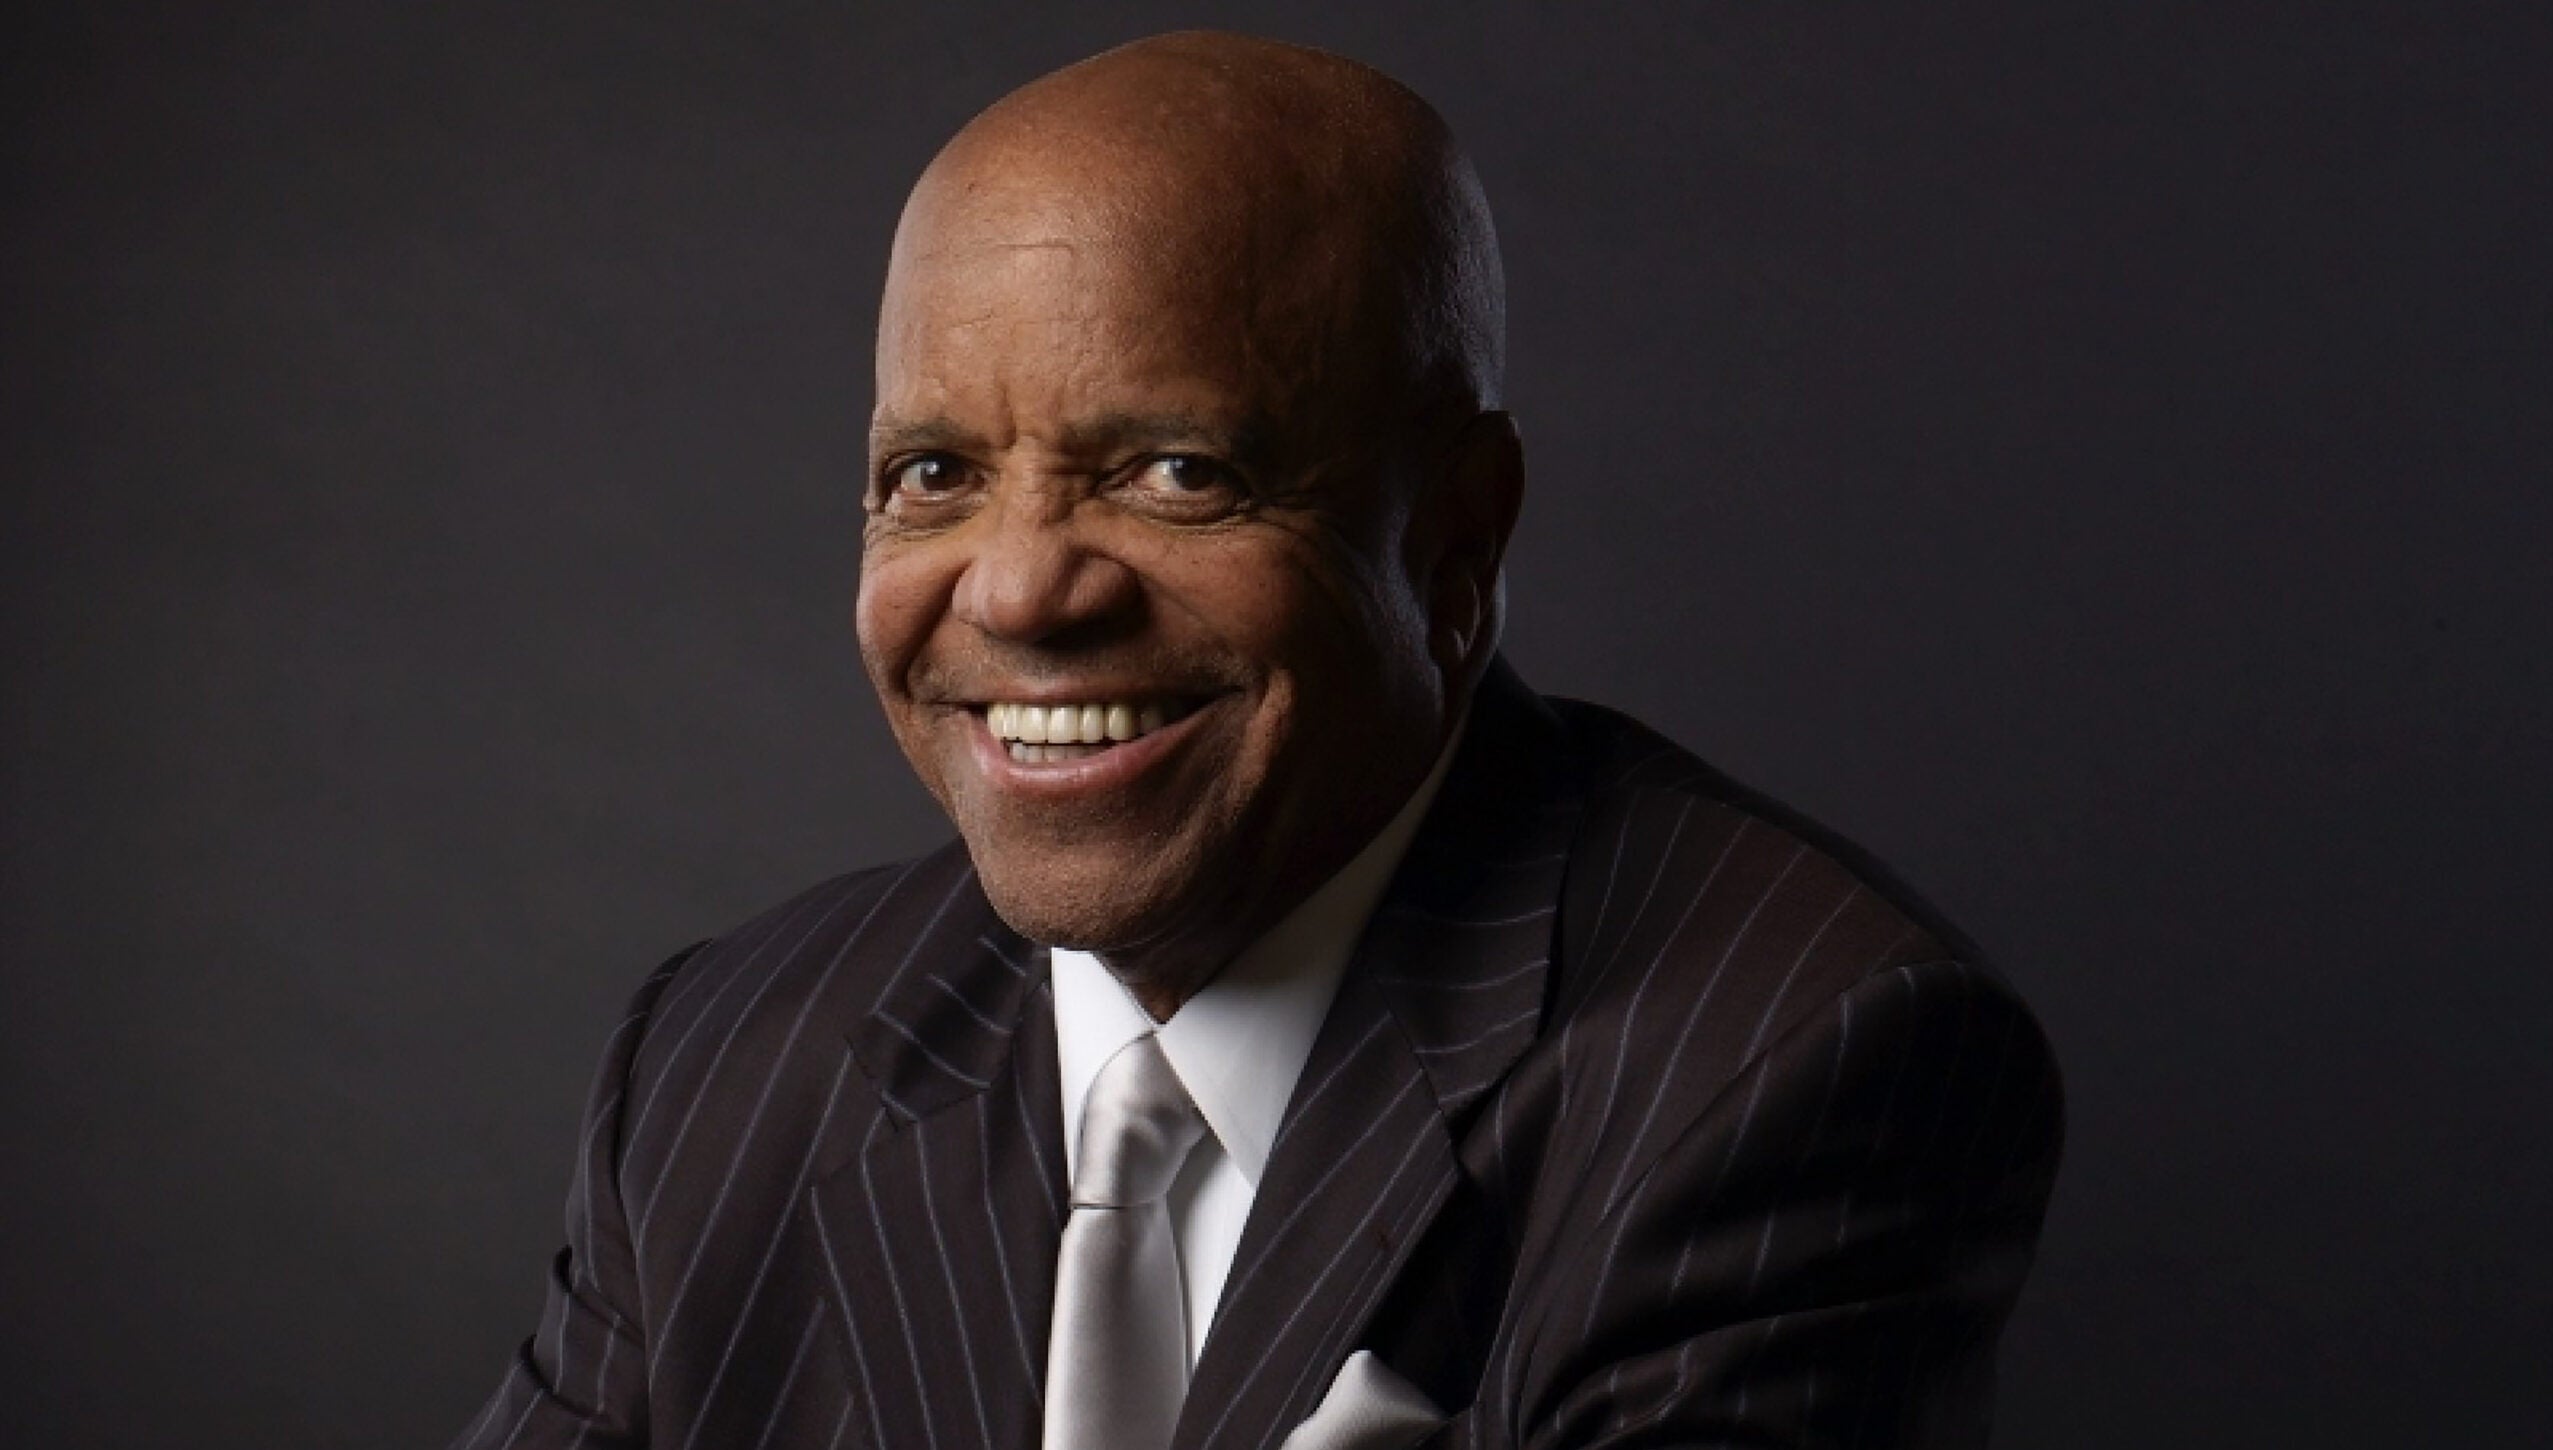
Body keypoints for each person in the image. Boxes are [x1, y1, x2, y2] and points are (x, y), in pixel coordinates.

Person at [453, 30, 2062, 1450]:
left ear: (1454, 543)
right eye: (935, 475)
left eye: (1175, 470)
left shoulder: (1793, 1065)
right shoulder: (723, 1068)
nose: (1018, 586)